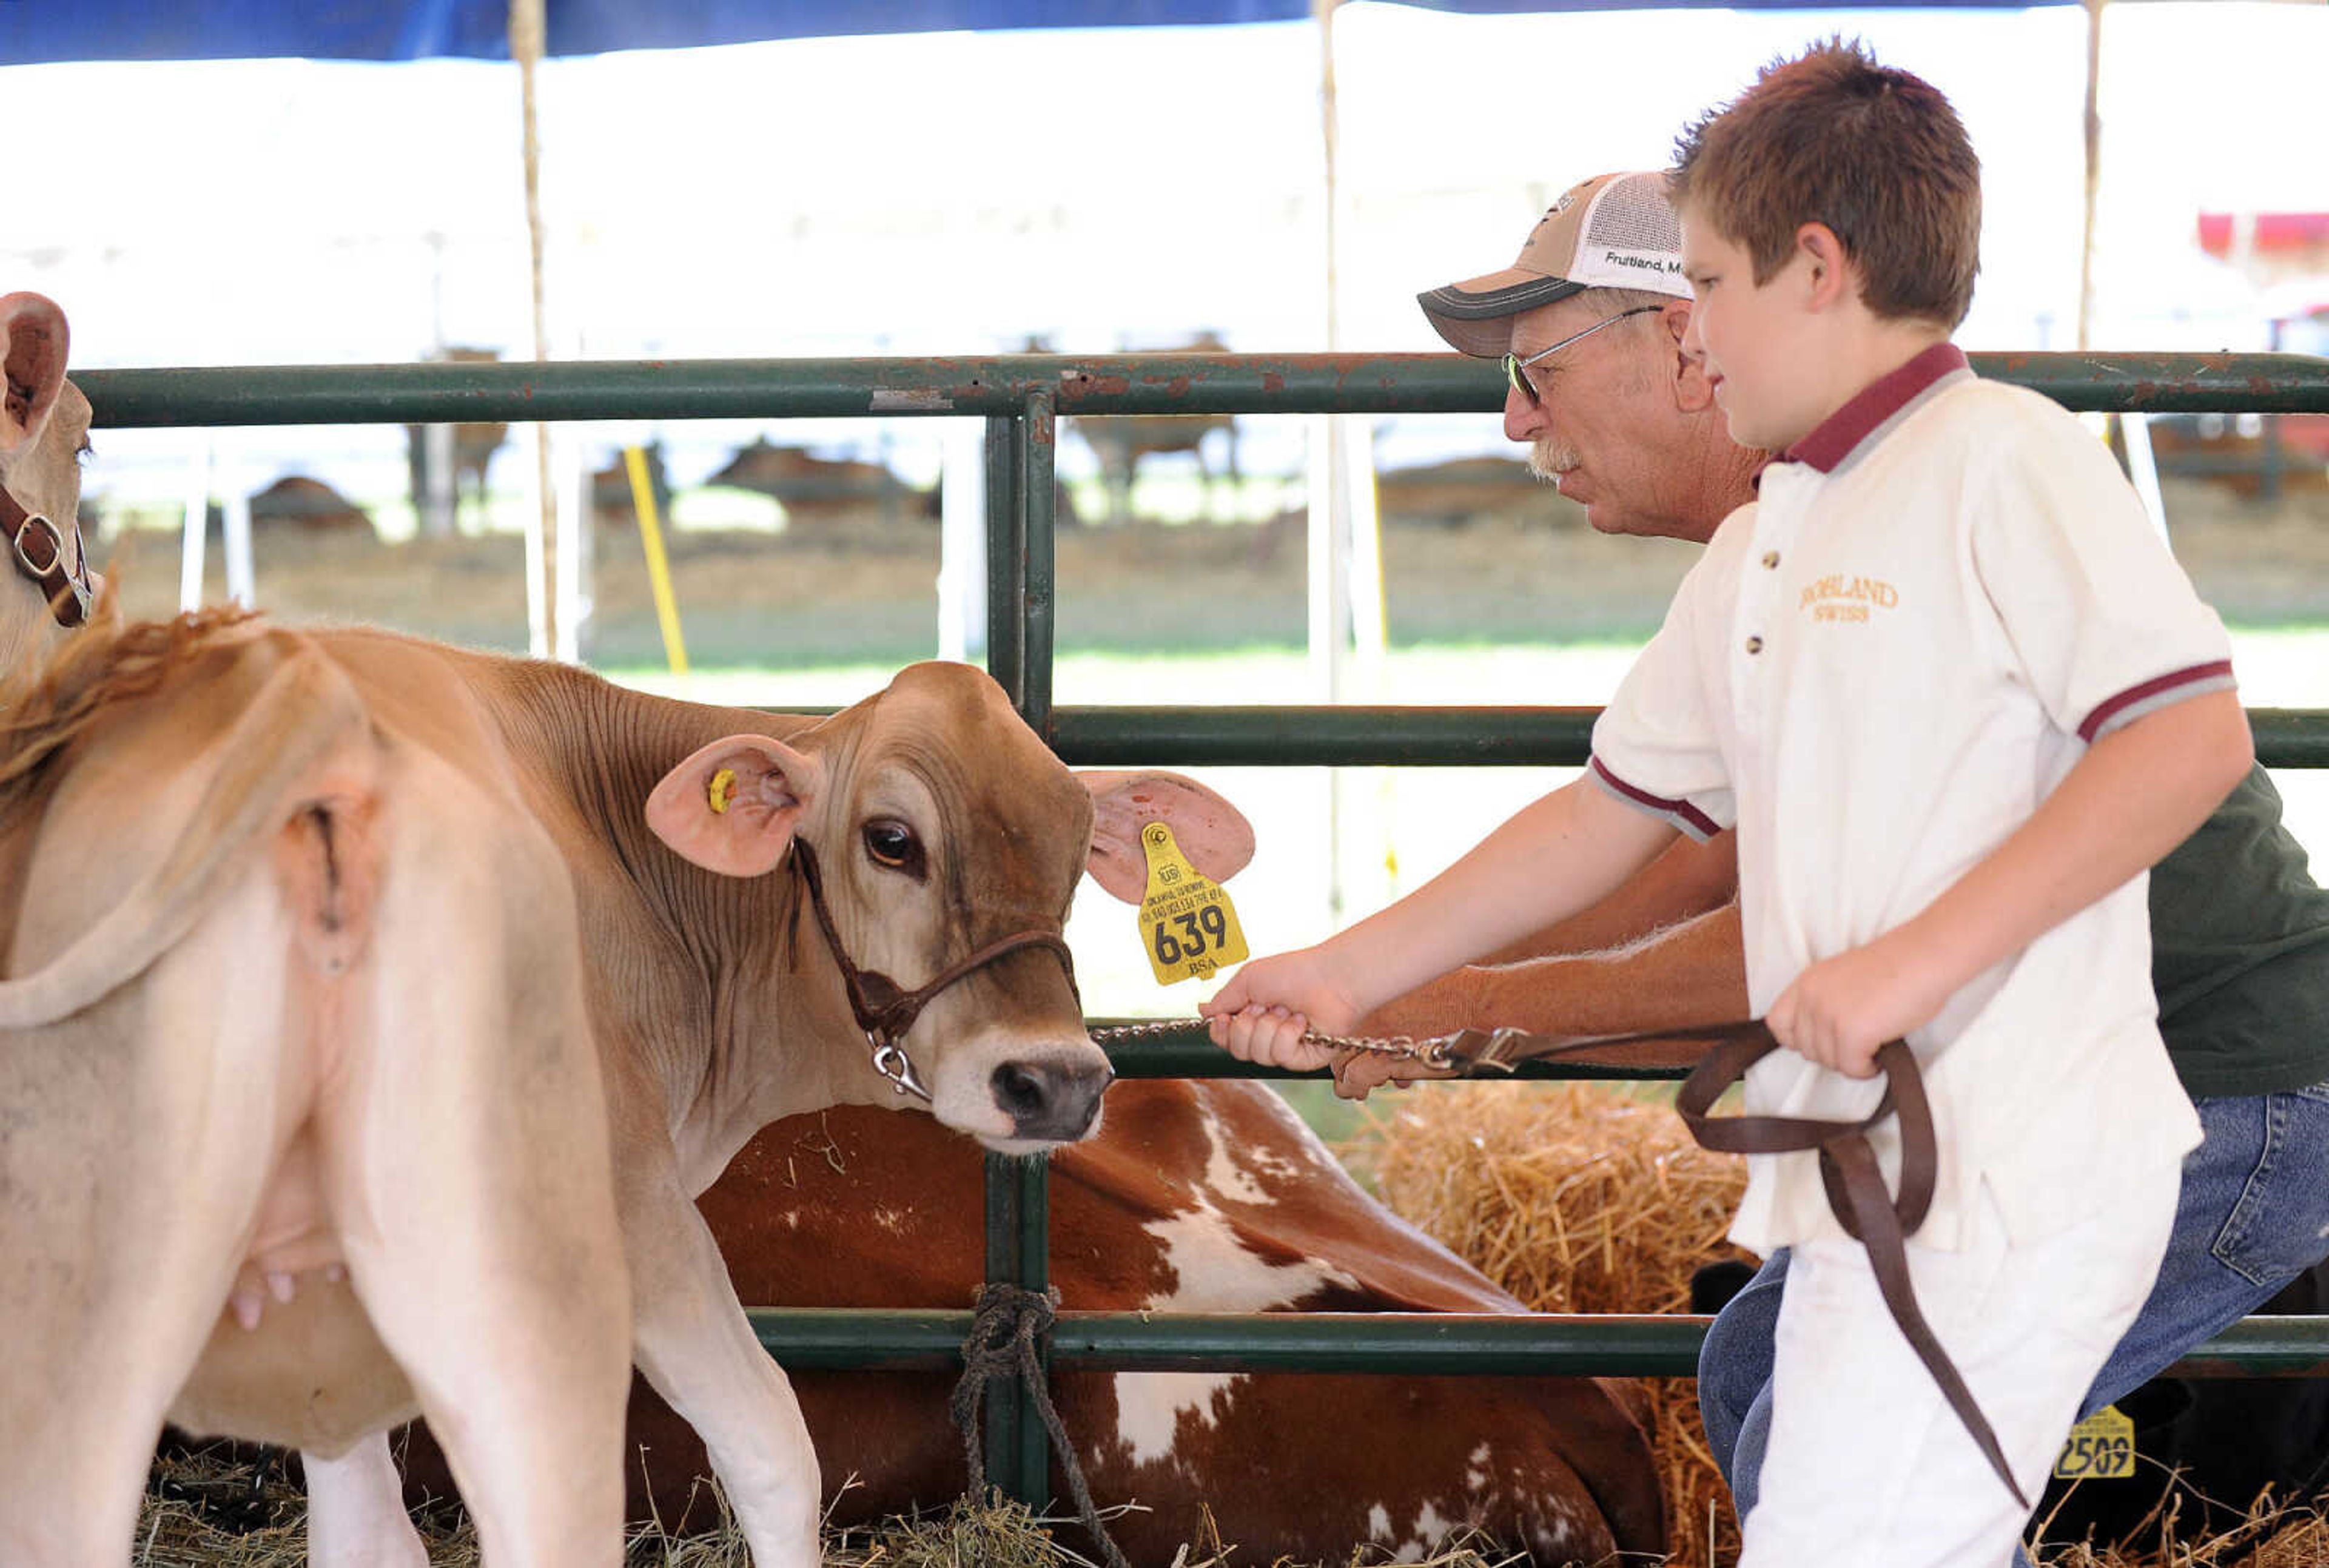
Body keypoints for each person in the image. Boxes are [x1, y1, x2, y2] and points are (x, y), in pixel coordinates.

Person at [1205, 40, 2262, 1564]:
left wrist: (1904, 968)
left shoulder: (2003, 461)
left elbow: (2186, 742)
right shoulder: (1771, 537)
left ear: (1815, 269)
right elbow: (1607, 817)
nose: (1693, 334)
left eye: (1705, 284)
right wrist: (1350, 968)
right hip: (1861, 1168)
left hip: (2016, 1169)